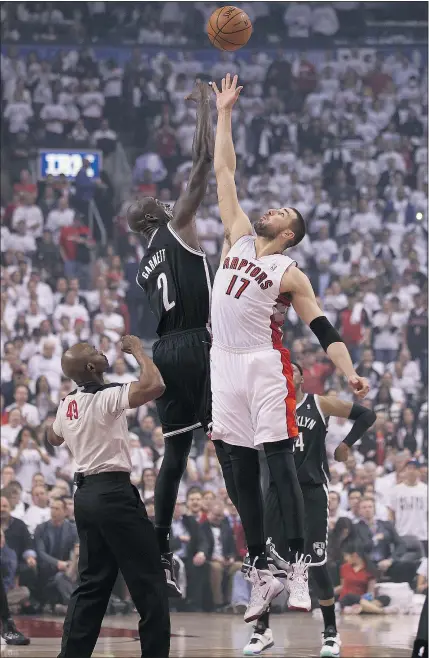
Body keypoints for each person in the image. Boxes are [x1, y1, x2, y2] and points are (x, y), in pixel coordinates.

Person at [210, 73, 369, 624]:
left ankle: (298, 564)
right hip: (221, 365)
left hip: (263, 364)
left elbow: (325, 332)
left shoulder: (289, 271)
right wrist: (225, 112)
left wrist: (348, 373)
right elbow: (224, 171)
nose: (269, 208)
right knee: (236, 476)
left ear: (289, 235)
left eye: (279, 211)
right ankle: (261, 570)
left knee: (280, 466)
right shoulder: (236, 234)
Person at [127, 79, 214, 595]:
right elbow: (203, 163)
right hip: (198, 343)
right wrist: (206, 108)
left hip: (165, 351)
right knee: (232, 438)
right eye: (160, 200)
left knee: (175, 455)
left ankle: (160, 548)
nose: (166, 199)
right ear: (158, 215)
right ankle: (267, 549)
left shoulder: (143, 264)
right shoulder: (178, 226)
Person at [48, 337, 170, 658]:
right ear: (91, 367)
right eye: (94, 351)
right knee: (149, 582)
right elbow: (154, 385)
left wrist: (72, 418)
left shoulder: (67, 403)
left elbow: (53, 437)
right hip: (113, 493)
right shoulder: (106, 396)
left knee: (92, 584)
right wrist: (139, 352)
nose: (101, 352)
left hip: (85, 496)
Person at [243, 362, 375, 657]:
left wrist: (346, 445)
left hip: (312, 490)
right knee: (268, 565)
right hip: (277, 492)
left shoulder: (319, 403)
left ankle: (330, 633)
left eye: (292, 369)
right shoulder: (266, 406)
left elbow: (367, 414)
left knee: (314, 563)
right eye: (280, 370)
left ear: (302, 377)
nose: (286, 373)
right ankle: (262, 631)